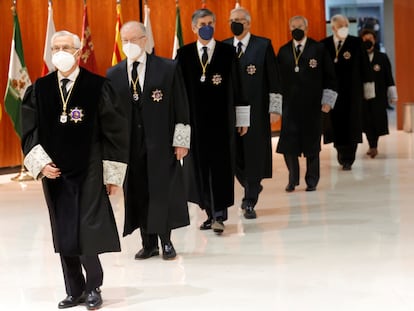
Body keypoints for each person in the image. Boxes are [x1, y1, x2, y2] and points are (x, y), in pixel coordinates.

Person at [21, 30, 128, 310]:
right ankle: (74, 288)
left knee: (87, 228)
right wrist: (41, 164)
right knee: (64, 228)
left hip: (89, 167)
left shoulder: (97, 86)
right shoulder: (40, 88)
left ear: (78, 51)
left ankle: (93, 285)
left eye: (65, 47)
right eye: (55, 47)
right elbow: (29, 130)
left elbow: (115, 132)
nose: (60, 52)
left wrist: (113, 175)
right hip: (54, 171)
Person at [107, 21, 191, 260]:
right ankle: (148, 243)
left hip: (161, 143)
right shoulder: (114, 74)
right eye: (125, 41)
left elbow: (181, 106)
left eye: (134, 40)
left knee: (160, 191)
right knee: (138, 192)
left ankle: (166, 241)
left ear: (145, 40)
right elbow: (112, 115)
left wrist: (182, 140)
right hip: (131, 147)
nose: (130, 45)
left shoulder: (167, 68)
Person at [176, 8, 249, 234]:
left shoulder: (228, 52)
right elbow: (178, 92)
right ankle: (208, 212)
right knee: (198, 170)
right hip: (195, 124)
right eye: (202, 23)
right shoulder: (184, 54)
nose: (206, 26)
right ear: (193, 27)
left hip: (222, 123)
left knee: (220, 168)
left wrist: (242, 118)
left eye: (210, 22)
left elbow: (239, 87)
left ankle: (219, 215)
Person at [223, 7, 282, 218]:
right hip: (231, 111)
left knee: (254, 155)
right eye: (232, 20)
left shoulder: (263, 45)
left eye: (239, 20)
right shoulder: (224, 47)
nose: (235, 23)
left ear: (248, 23)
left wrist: (275, 108)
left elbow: (273, 78)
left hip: (256, 110)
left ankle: (249, 200)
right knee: (235, 156)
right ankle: (252, 185)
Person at [276, 16, 337, 192]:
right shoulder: (284, 51)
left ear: (307, 27)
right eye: (293, 26)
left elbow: (330, 77)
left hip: (312, 106)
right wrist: (275, 106)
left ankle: (312, 180)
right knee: (288, 145)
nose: (297, 29)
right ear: (289, 28)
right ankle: (292, 179)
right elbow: (277, 80)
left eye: (300, 26)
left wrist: (328, 101)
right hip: (290, 107)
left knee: (312, 145)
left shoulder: (318, 49)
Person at [321, 14, 375, 170]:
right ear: (333, 28)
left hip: (353, 93)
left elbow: (366, 66)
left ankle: (348, 158)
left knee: (352, 124)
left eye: (346, 25)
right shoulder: (324, 45)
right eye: (340, 26)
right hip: (332, 94)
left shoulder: (356, 43)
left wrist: (368, 90)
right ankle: (340, 151)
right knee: (335, 125)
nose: (344, 28)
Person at [360, 28, 397, 158]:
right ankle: (372, 145)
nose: (368, 41)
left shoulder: (382, 57)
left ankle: (374, 146)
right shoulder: (358, 57)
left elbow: (389, 76)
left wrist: (393, 94)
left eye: (370, 39)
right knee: (366, 121)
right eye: (365, 39)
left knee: (377, 120)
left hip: (379, 96)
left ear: (374, 40)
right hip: (362, 96)